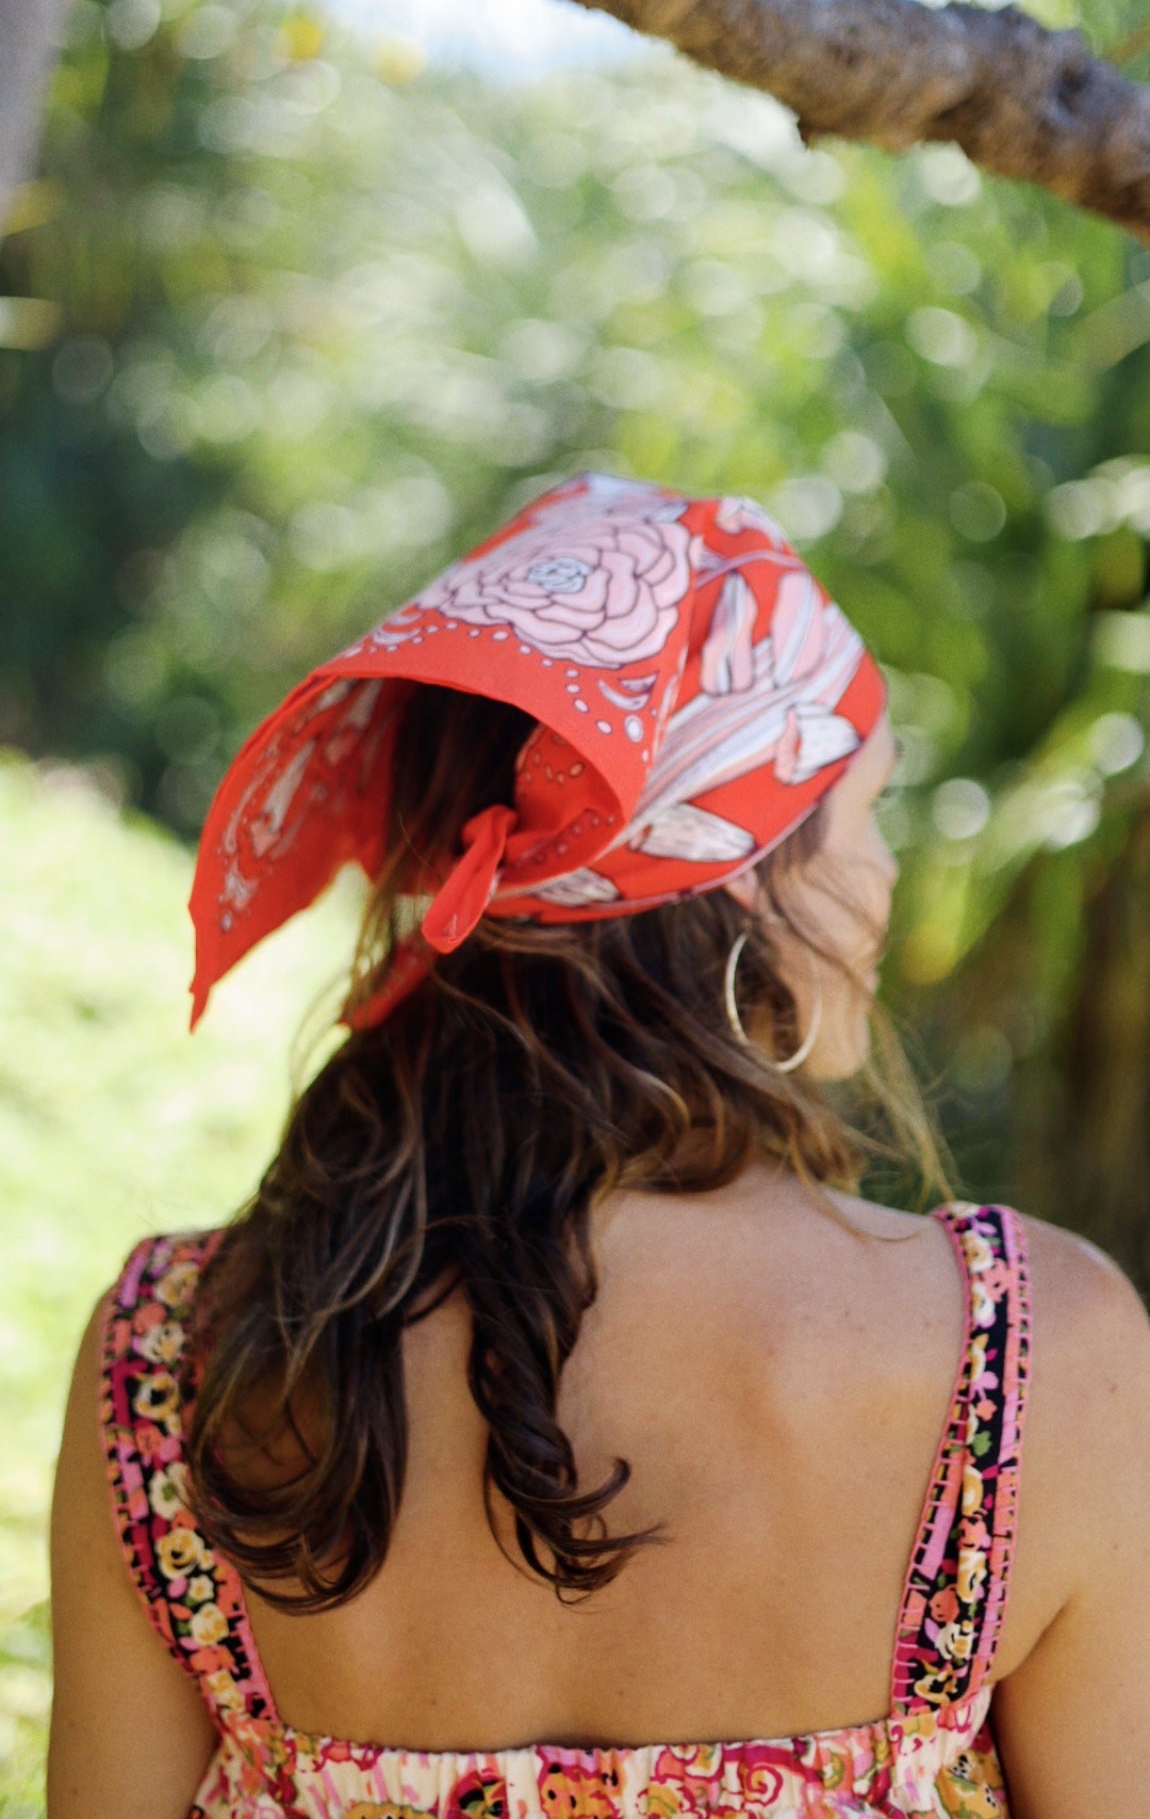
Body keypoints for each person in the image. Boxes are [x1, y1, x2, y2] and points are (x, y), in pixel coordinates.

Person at [48, 474, 1150, 1819]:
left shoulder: (169, 1358)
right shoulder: (1036, 1361)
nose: (880, 884)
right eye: (861, 821)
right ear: (736, 867)